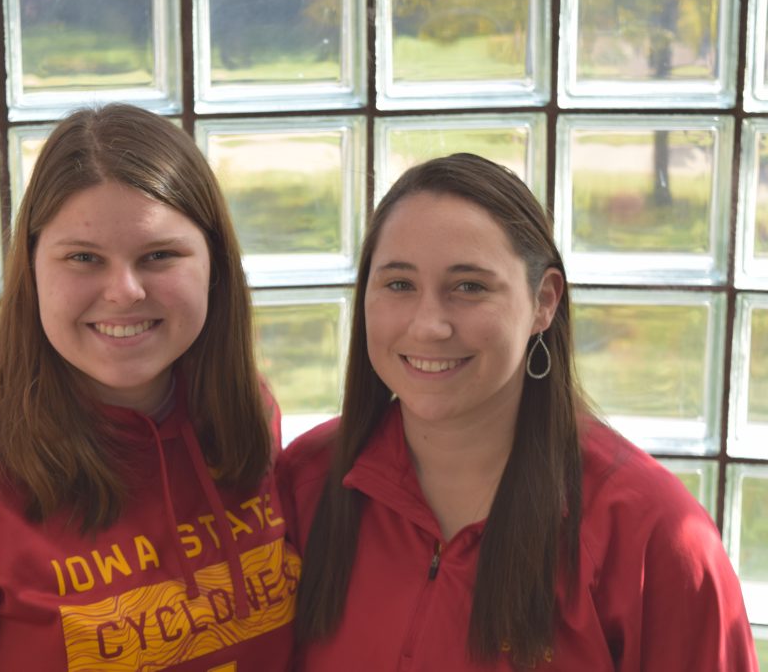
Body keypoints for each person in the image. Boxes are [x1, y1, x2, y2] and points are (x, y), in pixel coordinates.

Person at [0, 104, 298, 671]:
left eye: (159, 255)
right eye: (83, 258)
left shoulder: (242, 415)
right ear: (32, 268)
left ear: (214, 264)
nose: (124, 292)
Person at [276, 153, 757, 671]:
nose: (429, 325)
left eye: (470, 287)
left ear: (544, 301)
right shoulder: (308, 481)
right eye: (399, 284)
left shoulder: (653, 533)